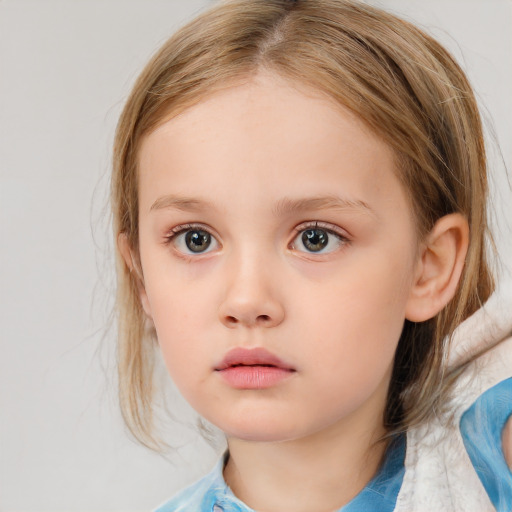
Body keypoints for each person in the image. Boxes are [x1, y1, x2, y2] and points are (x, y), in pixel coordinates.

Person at [111, 0, 512, 510]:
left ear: (428, 267)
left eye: (315, 238)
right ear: (141, 275)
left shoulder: (493, 456)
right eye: (196, 239)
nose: (247, 300)